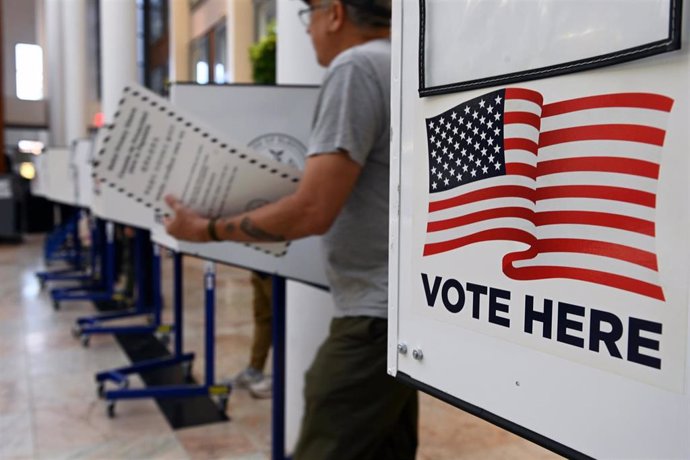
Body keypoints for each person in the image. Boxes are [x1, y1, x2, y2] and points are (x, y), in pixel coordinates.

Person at [163, 1, 418, 458]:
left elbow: (312, 209)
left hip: (373, 318)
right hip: (401, 310)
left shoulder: (356, 66)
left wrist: (207, 230)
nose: (308, 30)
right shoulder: (401, 61)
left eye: (310, 15)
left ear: (335, 13)